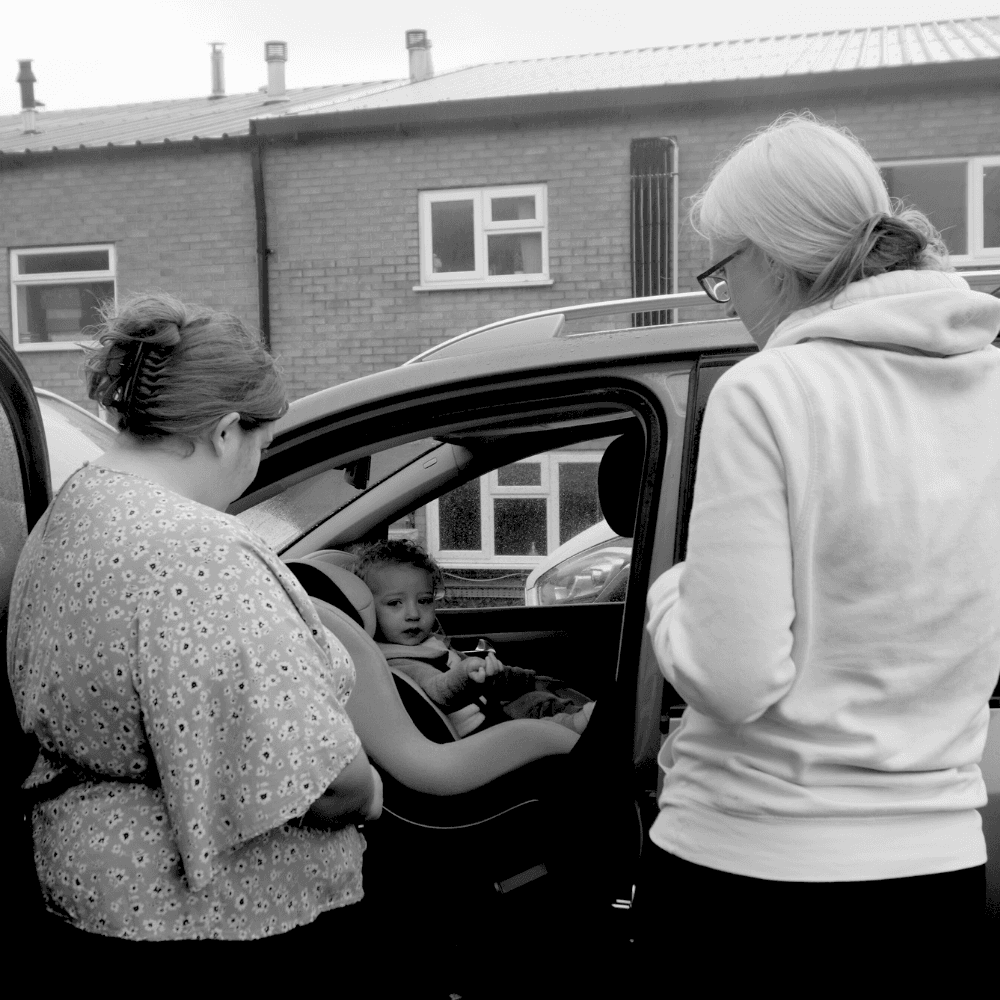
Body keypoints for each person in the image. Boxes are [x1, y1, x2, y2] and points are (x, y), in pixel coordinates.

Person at [638, 114, 1000, 939]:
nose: (729, 299)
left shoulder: (769, 390)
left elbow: (732, 680)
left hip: (751, 867)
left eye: (723, 271)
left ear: (771, 258)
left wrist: (669, 594)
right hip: (938, 870)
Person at [6, 293, 383, 948]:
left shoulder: (73, 510)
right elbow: (320, 784)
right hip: (211, 925)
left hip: (93, 893)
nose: (255, 464)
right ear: (226, 430)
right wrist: (370, 790)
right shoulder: (198, 552)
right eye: (262, 443)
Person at [352, 539, 594, 736]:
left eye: (424, 600)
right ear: (367, 609)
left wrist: (532, 680)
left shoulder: (429, 644)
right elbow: (439, 689)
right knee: (542, 725)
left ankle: (583, 716)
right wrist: (465, 674)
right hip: (480, 739)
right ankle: (579, 723)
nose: (414, 614)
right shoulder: (396, 663)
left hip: (492, 715)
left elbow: (492, 675)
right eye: (395, 603)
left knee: (536, 699)